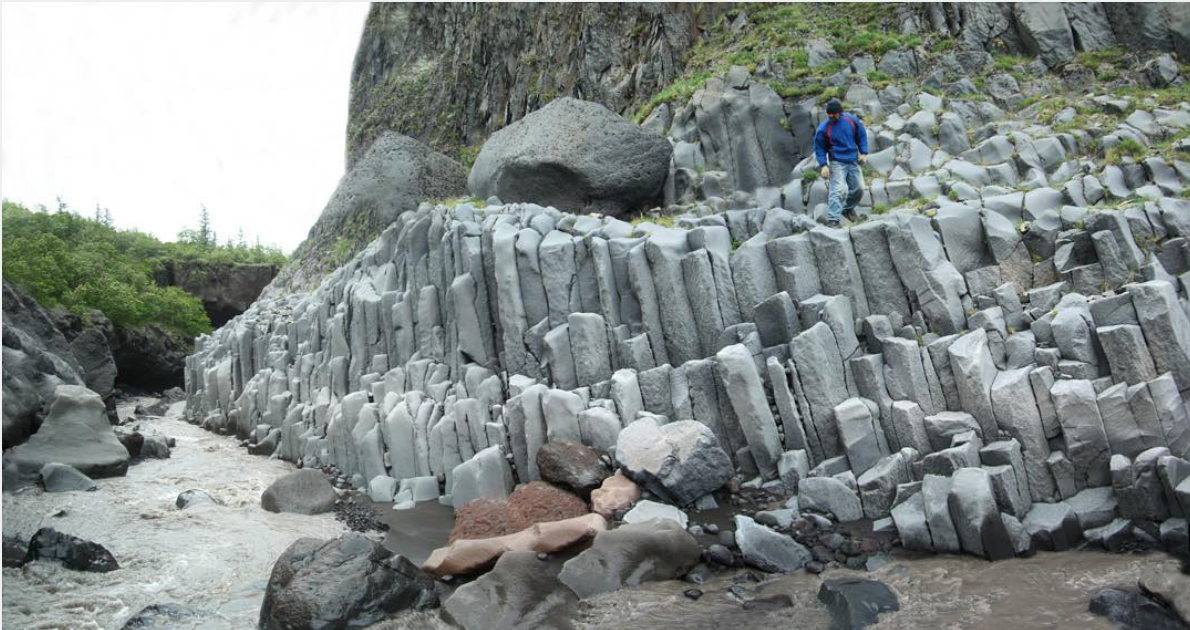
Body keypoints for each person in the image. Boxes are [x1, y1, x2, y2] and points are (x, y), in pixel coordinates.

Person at [813, 99, 869, 228]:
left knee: (859, 188)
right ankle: (833, 220)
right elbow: (819, 148)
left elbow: (861, 135)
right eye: (829, 114)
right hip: (837, 162)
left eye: (834, 114)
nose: (831, 116)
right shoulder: (823, 128)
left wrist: (864, 152)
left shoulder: (851, 121)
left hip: (853, 160)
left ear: (840, 112)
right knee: (838, 190)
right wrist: (823, 165)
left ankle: (847, 209)